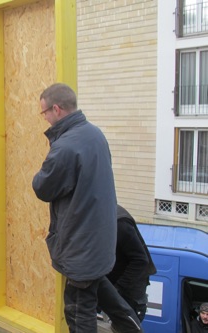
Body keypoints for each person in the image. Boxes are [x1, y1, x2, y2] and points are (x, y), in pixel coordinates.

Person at [32, 83, 143, 333]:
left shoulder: (65, 147)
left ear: (57, 109)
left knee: (78, 311)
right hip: (98, 240)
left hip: (81, 245)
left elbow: (43, 188)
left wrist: (39, 174)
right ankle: (131, 328)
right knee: (101, 290)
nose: (45, 118)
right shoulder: (95, 134)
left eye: (44, 113)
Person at [102, 205, 157, 322]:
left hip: (130, 291)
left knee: (128, 326)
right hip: (115, 283)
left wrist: (116, 289)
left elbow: (141, 260)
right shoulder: (99, 214)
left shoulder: (119, 222)